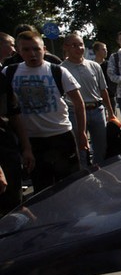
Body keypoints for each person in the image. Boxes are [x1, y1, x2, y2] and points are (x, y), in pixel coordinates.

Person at [4, 31, 86, 193]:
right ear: (19, 51)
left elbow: (78, 103)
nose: (32, 54)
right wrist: (25, 146)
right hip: (32, 142)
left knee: (72, 187)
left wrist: (82, 133)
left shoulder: (58, 71)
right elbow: (10, 112)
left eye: (36, 49)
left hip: (62, 137)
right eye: (26, 50)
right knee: (43, 189)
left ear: (44, 49)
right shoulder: (9, 73)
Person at [62, 34, 116, 166]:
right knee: (81, 148)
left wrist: (111, 112)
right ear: (65, 47)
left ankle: (100, 174)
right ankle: (84, 176)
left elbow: (103, 90)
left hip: (97, 111)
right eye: (74, 45)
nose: (79, 48)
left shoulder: (94, 66)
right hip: (74, 114)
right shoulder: (61, 69)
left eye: (81, 44)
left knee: (101, 148)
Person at [0, 71, 34, 216]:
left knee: (15, 206)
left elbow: (14, 115)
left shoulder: (1, 78)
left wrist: (26, 148)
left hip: (7, 152)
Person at [93, 41, 117, 112]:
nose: (106, 51)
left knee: (112, 119)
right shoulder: (91, 66)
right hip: (96, 97)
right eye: (103, 49)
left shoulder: (109, 65)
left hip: (110, 96)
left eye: (106, 49)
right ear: (96, 51)